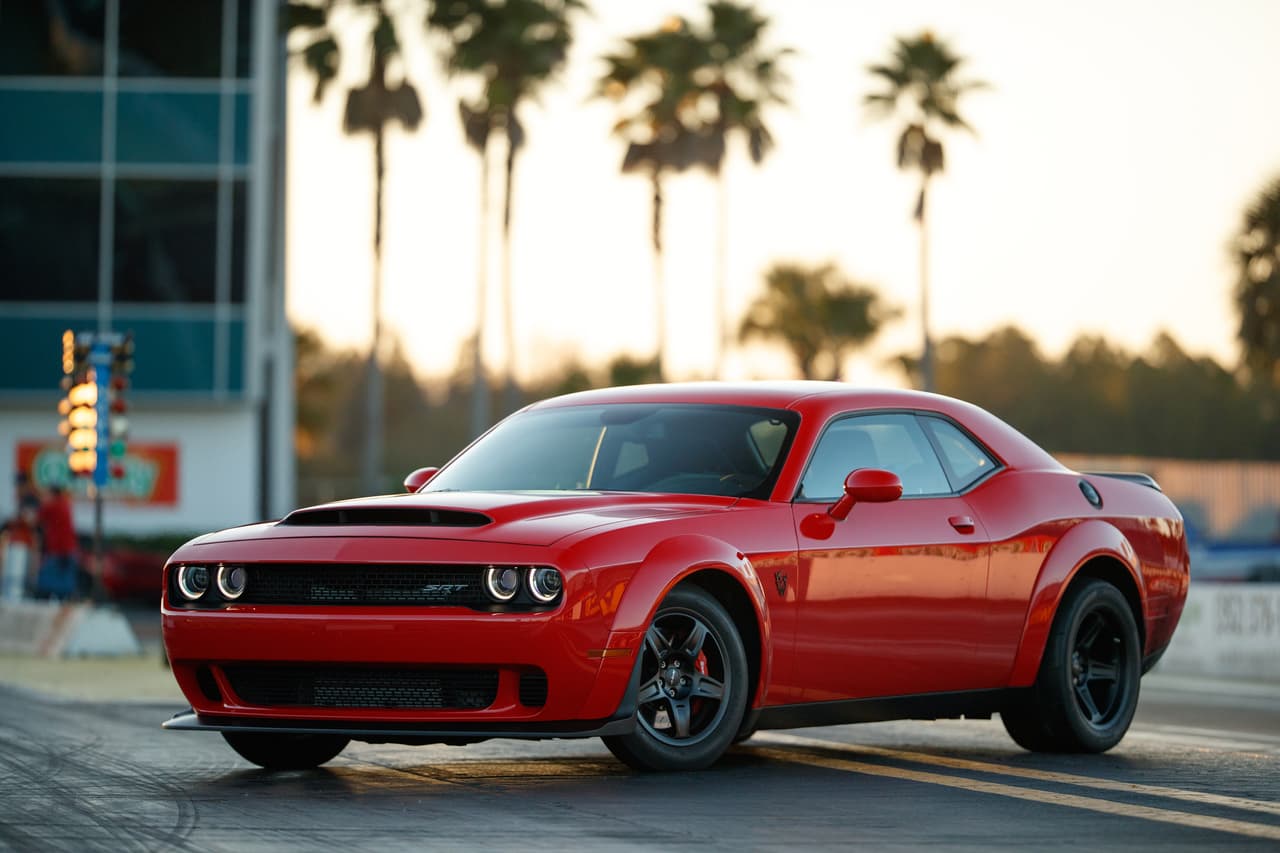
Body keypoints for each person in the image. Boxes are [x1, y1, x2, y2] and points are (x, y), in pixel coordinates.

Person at [35, 484, 79, 600]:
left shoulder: (53, 506)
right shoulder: (65, 504)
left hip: (58, 550)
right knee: (65, 584)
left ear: (53, 494)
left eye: (46, 494)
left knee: (47, 583)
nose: (44, 497)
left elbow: (36, 517)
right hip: (67, 549)